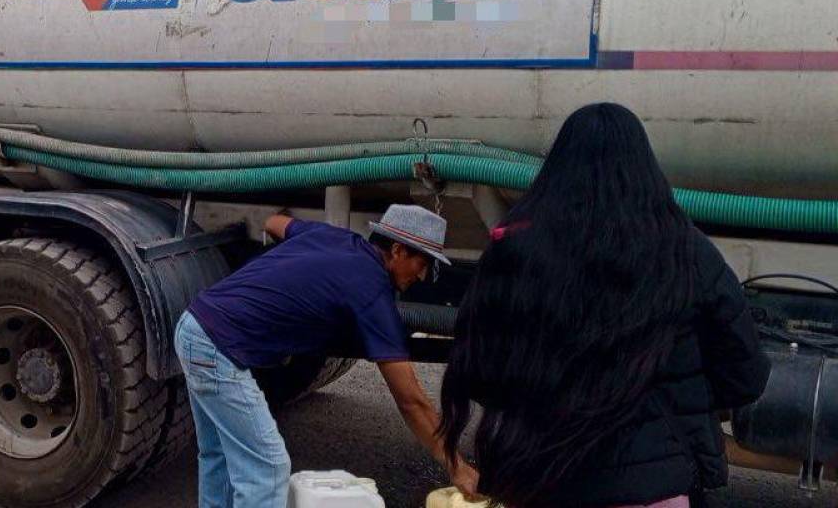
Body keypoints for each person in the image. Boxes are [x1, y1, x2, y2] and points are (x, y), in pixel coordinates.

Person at [438, 103, 771, 508]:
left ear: (557, 167)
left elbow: (478, 368)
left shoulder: (516, 248)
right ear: (644, 168)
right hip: (654, 488)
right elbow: (745, 376)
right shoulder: (687, 253)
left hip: (536, 480)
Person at [175, 205, 480, 508]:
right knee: (268, 467)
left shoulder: (332, 236)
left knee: (219, 455)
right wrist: (457, 467)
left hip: (195, 325)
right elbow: (411, 401)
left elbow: (274, 222)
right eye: (423, 262)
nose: (424, 275)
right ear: (399, 250)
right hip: (217, 348)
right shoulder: (371, 290)